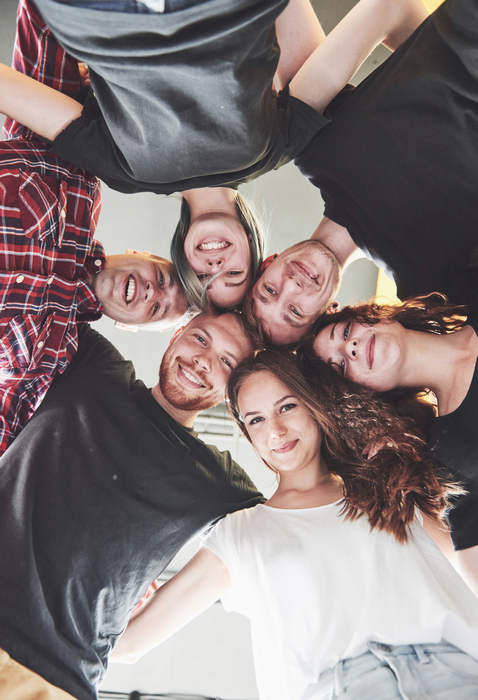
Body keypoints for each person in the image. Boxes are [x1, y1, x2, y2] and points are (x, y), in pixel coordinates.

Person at [0, 0, 428, 311]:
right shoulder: (281, 148)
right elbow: (384, 9)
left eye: (203, 276)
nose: (216, 264)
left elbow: (15, 94)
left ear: (182, 260)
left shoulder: (123, 176)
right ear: (255, 250)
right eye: (234, 274)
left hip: (103, 13)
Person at [110, 349, 478, 700]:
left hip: (457, 670)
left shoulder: (387, 486)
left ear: (314, 405)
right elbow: (128, 644)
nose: (277, 430)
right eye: (256, 419)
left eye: (287, 407)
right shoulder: (241, 533)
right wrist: (126, 595)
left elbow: (466, 556)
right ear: (248, 433)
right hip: (339, 687)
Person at [0, 309, 263, 700]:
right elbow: (48, 294)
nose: (203, 361)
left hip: (52, 676)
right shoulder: (96, 366)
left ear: (234, 389)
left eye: (227, 361)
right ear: (175, 333)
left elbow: (292, 527)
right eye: (201, 339)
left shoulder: (218, 484)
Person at [0, 0, 189, 457]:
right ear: (141, 253)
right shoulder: (79, 180)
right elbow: (47, 35)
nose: (150, 293)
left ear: (133, 329)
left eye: (158, 310)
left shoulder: (51, 362)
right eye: (161, 279)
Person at [293, 0, 478, 312]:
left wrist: (439, 52)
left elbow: (392, 6)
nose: (292, 289)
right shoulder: (429, 284)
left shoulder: (308, 143)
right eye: (295, 312)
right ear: (330, 311)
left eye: (269, 290)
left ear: (266, 264)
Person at [311, 293, 478, 595]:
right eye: (340, 367)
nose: (349, 347)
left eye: (346, 332)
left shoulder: (469, 289)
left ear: (375, 315)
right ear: (365, 393)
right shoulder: (451, 456)